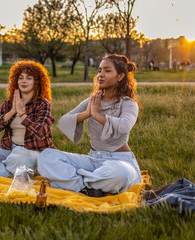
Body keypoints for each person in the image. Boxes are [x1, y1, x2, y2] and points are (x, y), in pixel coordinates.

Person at [37, 54, 142, 197]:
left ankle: (76, 180)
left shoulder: (128, 103)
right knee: (46, 156)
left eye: (107, 70)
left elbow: (124, 126)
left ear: (120, 76)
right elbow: (64, 121)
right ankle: (89, 185)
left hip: (119, 161)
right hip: (93, 159)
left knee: (121, 174)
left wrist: (97, 115)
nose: (101, 75)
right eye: (99, 70)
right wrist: (87, 113)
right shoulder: (93, 101)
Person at [0, 60, 55, 177]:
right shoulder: (9, 102)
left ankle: (0, 169)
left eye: (29, 78)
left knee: (21, 155)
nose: (23, 81)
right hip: (10, 150)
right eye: (20, 77)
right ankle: (7, 173)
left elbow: (41, 132)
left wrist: (22, 114)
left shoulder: (42, 104)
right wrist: (12, 111)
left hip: (33, 152)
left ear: (37, 82)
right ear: (16, 81)